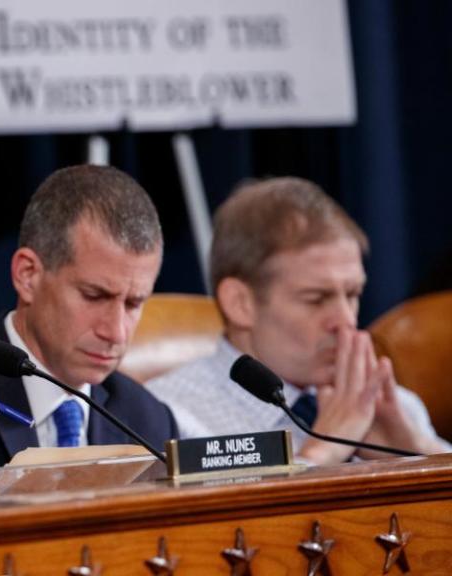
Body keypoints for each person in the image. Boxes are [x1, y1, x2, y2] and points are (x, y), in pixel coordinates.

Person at [147, 177, 450, 464]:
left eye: (353, 294)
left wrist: (421, 453)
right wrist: (323, 451)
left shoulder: (393, 405)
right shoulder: (170, 418)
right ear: (240, 303)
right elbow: (233, 520)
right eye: (316, 299)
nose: (346, 321)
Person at [0, 165, 178, 467]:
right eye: (94, 296)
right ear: (28, 275)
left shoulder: (147, 420)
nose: (117, 333)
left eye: (134, 303)